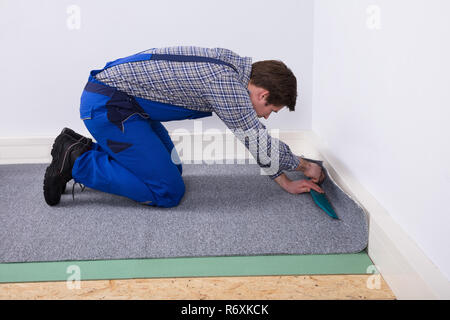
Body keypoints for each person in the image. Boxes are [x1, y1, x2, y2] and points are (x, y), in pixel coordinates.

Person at [43, 46, 325, 208]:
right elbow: (256, 138)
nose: (264, 117)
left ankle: (80, 148)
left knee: (173, 170)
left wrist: (283, 178)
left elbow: (256, 137)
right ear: (263, 94)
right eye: (269, 110)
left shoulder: (233, 66)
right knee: (167, 192)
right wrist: (302, 167)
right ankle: (78, 160)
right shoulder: (227, 86)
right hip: (108, 107)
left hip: (128, 107)